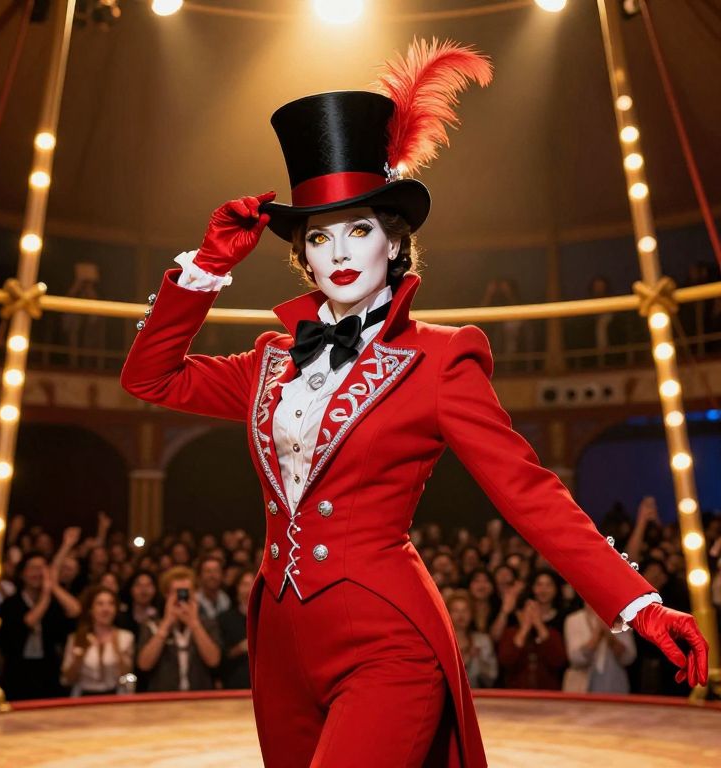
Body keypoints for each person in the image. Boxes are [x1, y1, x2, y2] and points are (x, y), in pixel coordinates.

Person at [121, 38, 707, 768]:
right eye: (319, 236)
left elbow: (530, 493)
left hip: (387, 639)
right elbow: (148, 378)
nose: (338, 251)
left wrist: (637, 603)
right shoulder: (268, 361)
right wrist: (205, 269)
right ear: (302, 255)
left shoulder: (441, 359)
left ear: (394, 246)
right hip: (279, 644)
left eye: (360, 230)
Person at [0, 552, 81, 700]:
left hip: (48, 671)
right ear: (22, 574)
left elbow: (75, 610)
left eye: (42, 569)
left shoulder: (53, 603)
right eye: (33, 568)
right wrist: (46, 596)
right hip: (18, 672)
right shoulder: (10, 604)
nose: (38, 573)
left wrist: (53, 586)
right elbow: (28, 622)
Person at [136, 566, 221, 692]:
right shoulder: (151, 625)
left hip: (200, 698)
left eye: (186, 592)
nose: (182, 598)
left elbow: (214, 661)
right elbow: (144, 665)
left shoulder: (208, 624)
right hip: (163, 698)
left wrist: (194, 624)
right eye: (176, 592)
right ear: (166, 594)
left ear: (194, 594)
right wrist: (166, 624)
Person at [61, 586, 134, 696]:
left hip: (115, 697)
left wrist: (118, 651)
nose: (106, 609)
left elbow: (130, 679)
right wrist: (78, 659)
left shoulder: (126, 637)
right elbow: (66, 680)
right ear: (91, 609)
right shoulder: (76, 638)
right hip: (83, 697)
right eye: (100, 604)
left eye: (111, 604)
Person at [498, 592, 568, 690]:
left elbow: (558, 661)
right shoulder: (510, 634)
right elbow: (506, 661)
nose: (532, 616)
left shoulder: (552, 633)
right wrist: (524, 629)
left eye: (535, 611)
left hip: (548, 694)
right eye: (527, 612)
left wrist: (539, 625)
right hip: (516, 693)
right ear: (519, 614)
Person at [563, 602, 636, 693]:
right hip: (581, 688)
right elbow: (575, 659)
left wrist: (609, 636)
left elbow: (628, 658)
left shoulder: (620, 620)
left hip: (615, 685)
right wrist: (597, 634)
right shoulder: (574, 620)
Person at [446, 590, 498, 688]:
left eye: (465, 610)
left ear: (472, 614)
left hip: (479, 697)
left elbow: (491, 677)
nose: (460, 615)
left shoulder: (483, 641)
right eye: (455, 610)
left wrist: (479, 660)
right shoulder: (441, 642)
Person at [217, 568, 255, 689]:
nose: (249, 589)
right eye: (244, 584)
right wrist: (239, 649)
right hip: (234, 685)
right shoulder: (224, 619)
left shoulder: (269, 618)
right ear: (237, 588)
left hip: (264, 687)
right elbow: (219, 659)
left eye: (253, 584)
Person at [195, 555, 231, 620]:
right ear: (199, 576)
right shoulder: (194, 601)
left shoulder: (227, 599)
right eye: (207, 571)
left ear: (222, 576)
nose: (212, 575)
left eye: (216, 571)